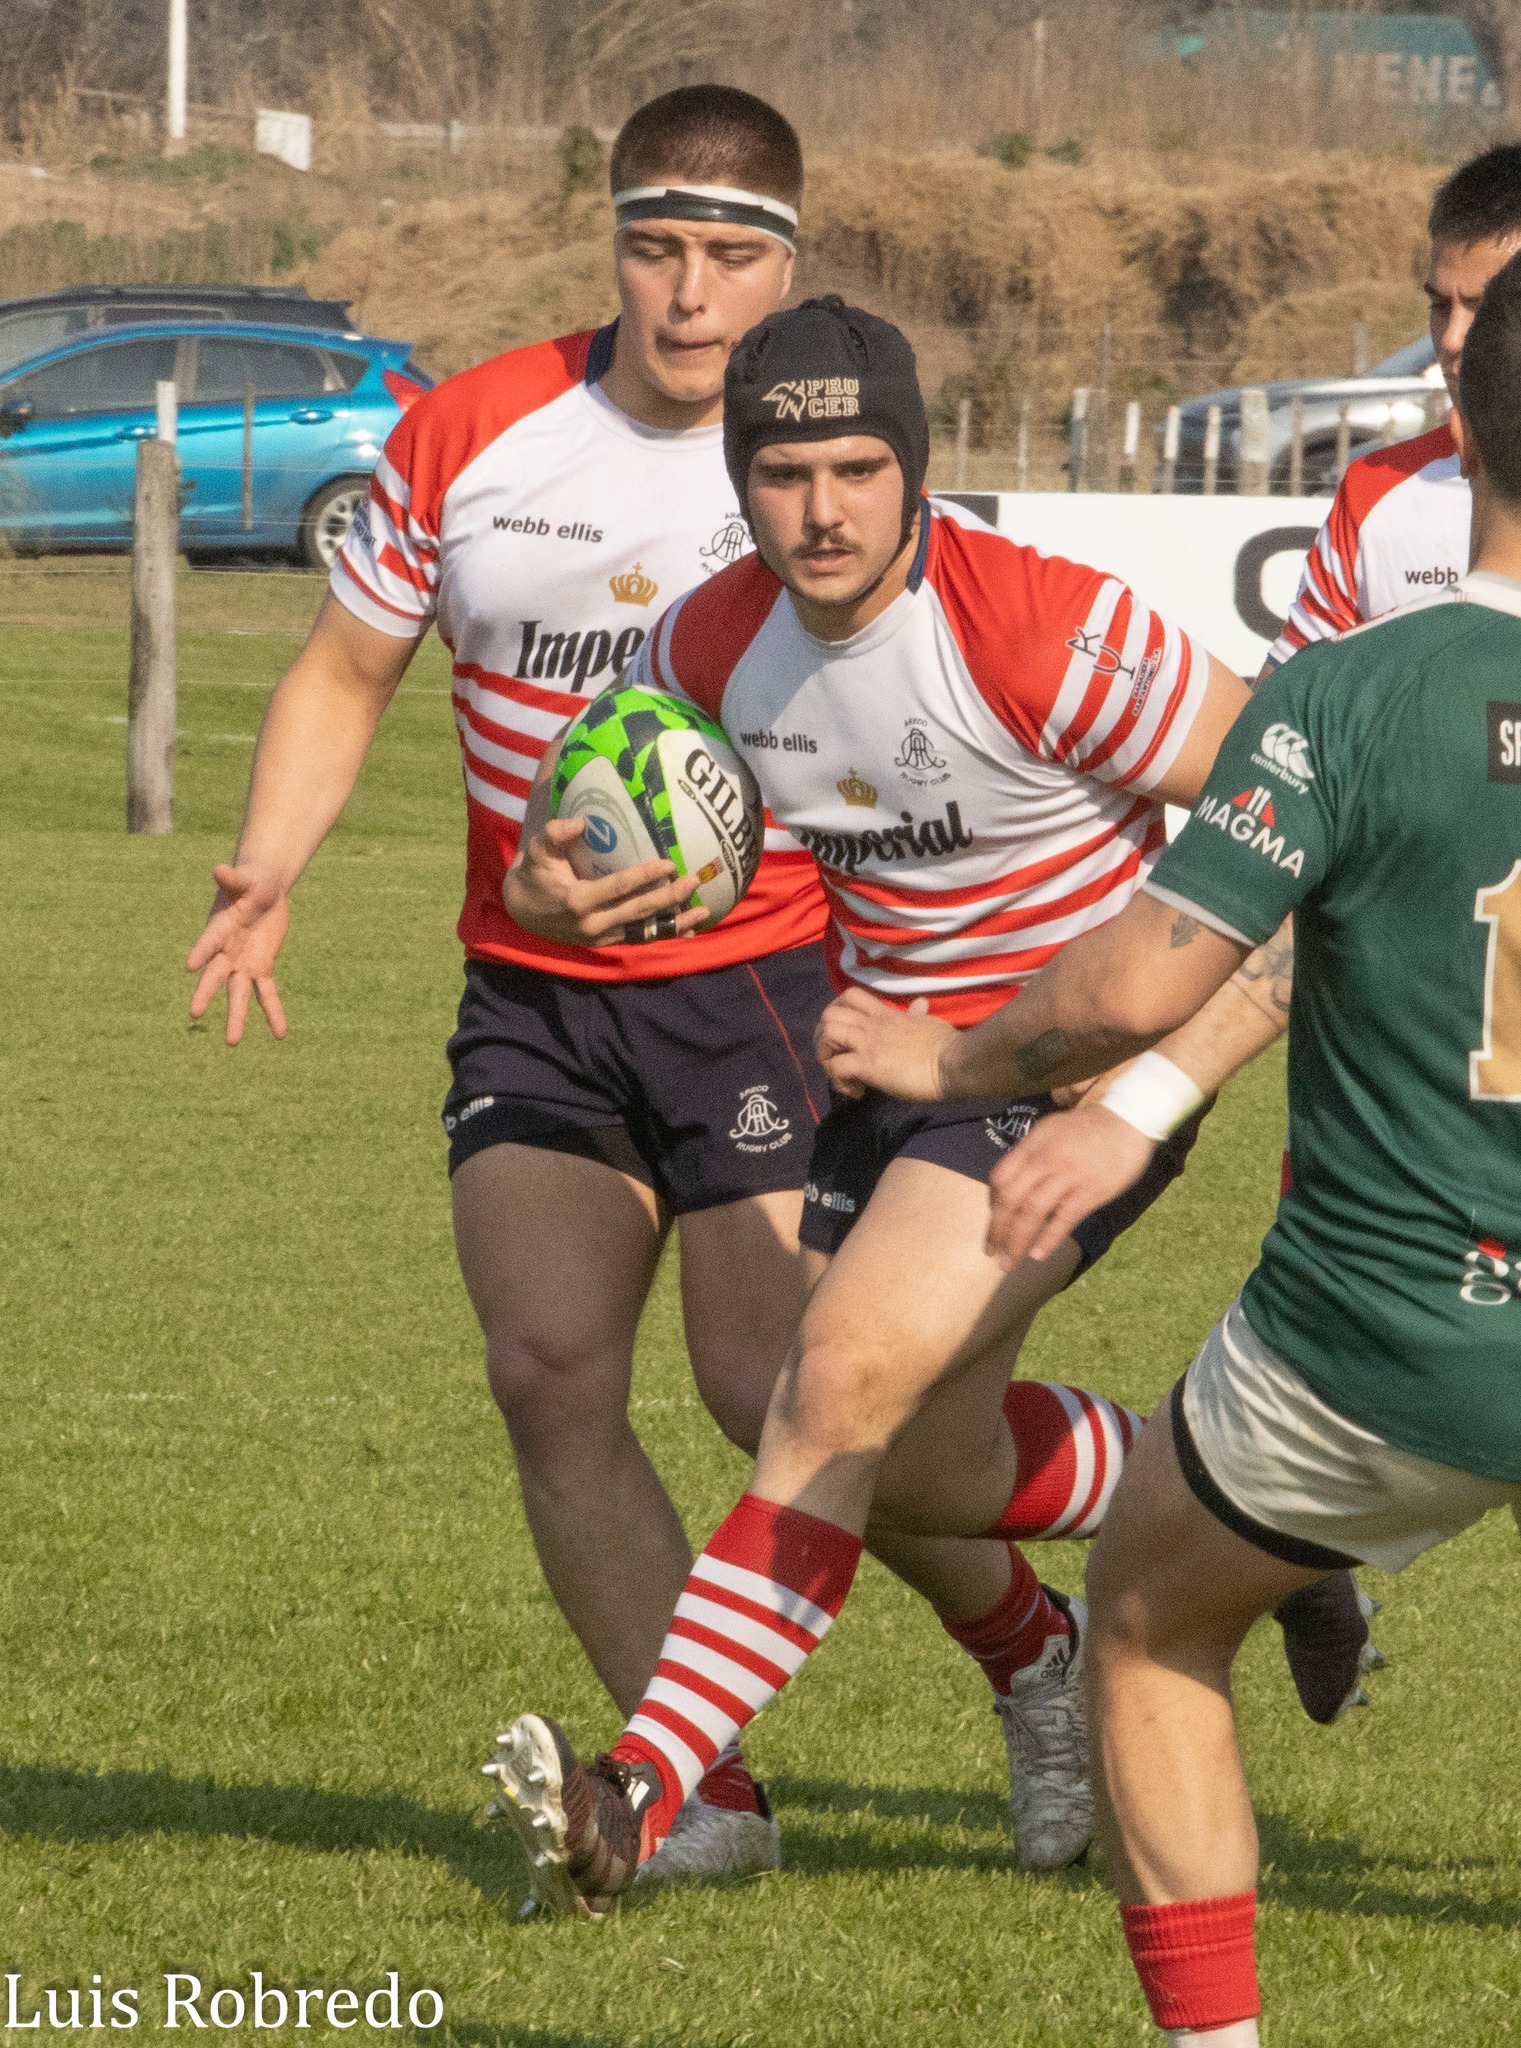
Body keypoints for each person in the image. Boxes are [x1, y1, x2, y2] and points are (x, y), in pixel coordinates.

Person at [482, 296, 1356, 1919]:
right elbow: (594, 815)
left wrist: (1162, 1045)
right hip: (892, 1069)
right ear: (739, 482)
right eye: (783, 472)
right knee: (868, 1437)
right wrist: (556, 879)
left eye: (858, 468)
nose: (821, 509)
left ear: (916, 468)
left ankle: (642, 1789)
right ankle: (1247, 1522)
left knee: (831, 1394)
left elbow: (1303, 803)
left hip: (1058, 1068)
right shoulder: (703, 647)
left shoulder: (1036, 628)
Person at [811, 247, 1521, 2045]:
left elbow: (1133, 982)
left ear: (1457, 418)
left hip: (1384, 1345)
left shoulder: (1349, 694)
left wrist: (950, 1051)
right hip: (1402, 1339)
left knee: (1145, 1614)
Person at [185, 85, 833, 1886]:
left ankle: (1031, 1643)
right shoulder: (471, 431)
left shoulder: (818, 453)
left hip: (761, 981)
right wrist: (271, 863)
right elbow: (344, 672)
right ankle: (708, 1797)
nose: (688, 295)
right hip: (534, 987)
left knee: (774, 1387)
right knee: (547, 1368)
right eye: (656, 248)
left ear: (787, 265)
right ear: (610, 241)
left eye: (729, 259)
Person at [1264, 143, 1521, 680]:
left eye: (1485, 309)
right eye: (1440, 305)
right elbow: (1284, 710)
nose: (1451, 339)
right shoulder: (1374, 492)